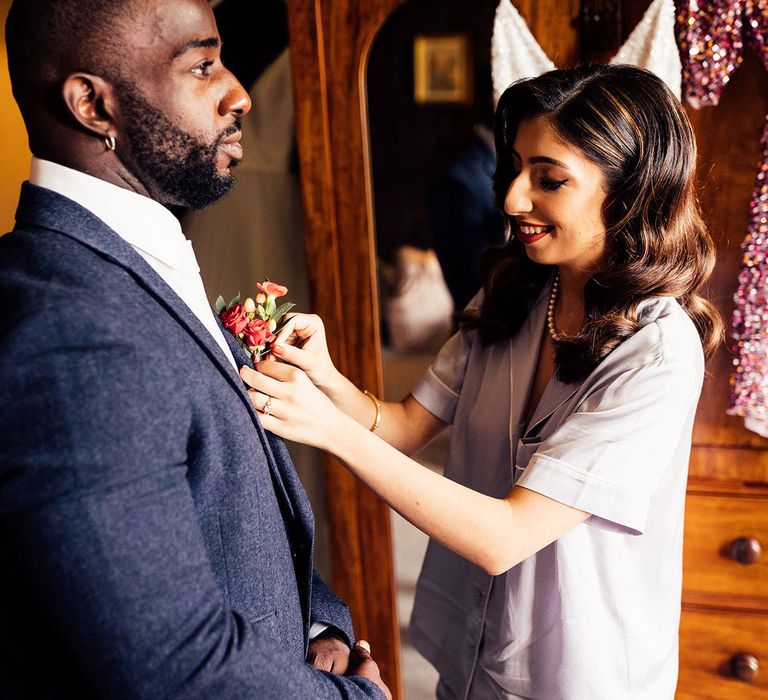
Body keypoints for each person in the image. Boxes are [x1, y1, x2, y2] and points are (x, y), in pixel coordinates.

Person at [240, 64, 722, 699]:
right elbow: (405, 427)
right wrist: (326, 378)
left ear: (630, 193)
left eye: (548, 180)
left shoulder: (657, 352)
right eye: (515, 168)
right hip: (475, 647)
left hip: (581, 672)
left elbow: (506, 537)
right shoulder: (515, 290)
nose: (513, 199)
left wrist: (330, 431)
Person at [0, 1, 390, 698]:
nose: (238, 93)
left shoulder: (122, 263)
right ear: (93, 104)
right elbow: (177, 670)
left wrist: (315, 629)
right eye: (202, 64)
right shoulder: (74, 336)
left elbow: (225, 518)